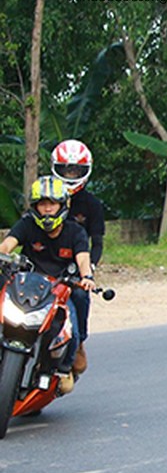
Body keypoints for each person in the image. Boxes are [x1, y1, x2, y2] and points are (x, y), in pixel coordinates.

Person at [0, 176, 96, 394]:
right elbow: (8, 244)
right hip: (27, 286)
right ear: (35, 207)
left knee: (75, 310)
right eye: (42, 204)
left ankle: (66, 363)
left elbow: (83, 258)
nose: (47, 210)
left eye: (51, 204)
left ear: (62, 206)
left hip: (61, 290)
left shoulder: (75, 231)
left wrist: (86, 277)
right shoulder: (27, 225)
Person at [51, 139, 105, 377]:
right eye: (66, 169)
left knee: (81, 295)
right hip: (43, 258)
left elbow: (98, 241)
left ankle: (79, 341)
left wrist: (88, 270)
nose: (70, 174)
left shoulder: (92, 205)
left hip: (75, 265)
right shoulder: (46, 197)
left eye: (75, 170)